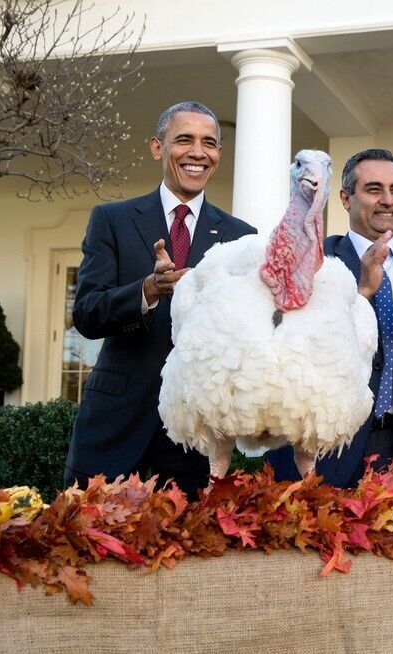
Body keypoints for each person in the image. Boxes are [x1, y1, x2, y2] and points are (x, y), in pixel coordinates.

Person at [63, 101, 256, 499]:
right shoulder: (112, 220)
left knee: (190, 537)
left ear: (219, 153)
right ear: (157, 147)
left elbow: (249, 334)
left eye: (209, 143)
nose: (198, 152)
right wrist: (148, 289)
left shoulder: (242, 237)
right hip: (115, 424)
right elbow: (86, 313)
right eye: (184, 140)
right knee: (89, 533)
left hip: (195, 434)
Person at [267, 148, 393, 488]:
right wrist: (362, 292)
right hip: (327, 448)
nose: (387, 200)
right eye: (374, 189)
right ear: (346, 199)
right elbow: (288, 339)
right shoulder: (314, 259)